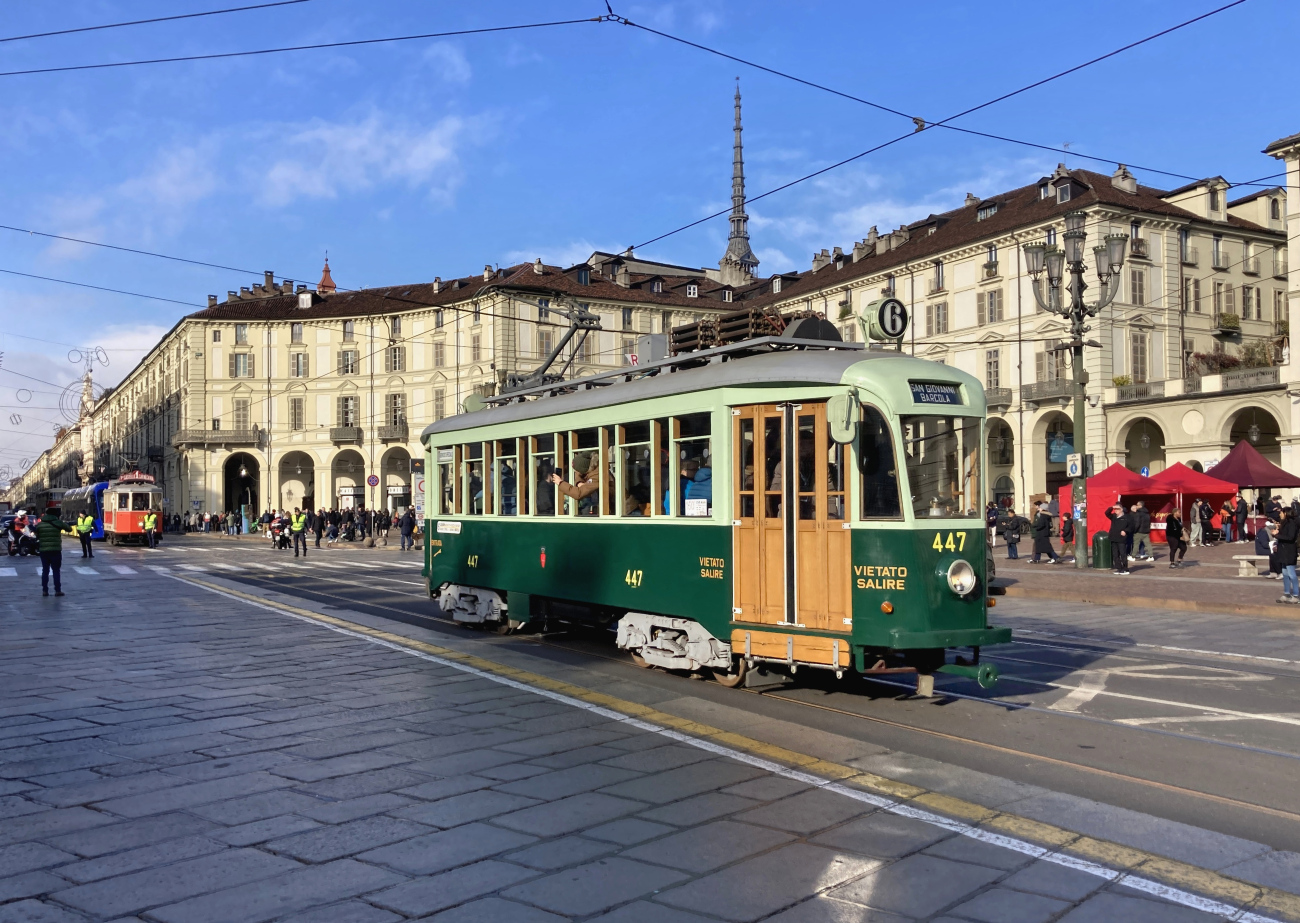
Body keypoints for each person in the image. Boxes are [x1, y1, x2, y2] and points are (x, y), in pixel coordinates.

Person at [35, 509, 74, 597]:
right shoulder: (58, 522)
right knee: (56, 571)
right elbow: (69, 529)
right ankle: (57, 590)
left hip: (44, 551)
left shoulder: (40, 524)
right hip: (55, 550)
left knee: (45, 571)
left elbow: (37, 535)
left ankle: (45, 591)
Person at [1276, 508, 1299, 604]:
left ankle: (1296, 595)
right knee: (1285, 573)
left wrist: (1277, 535)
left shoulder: (1292, 523)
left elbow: (1290, 537)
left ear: (1285, 513)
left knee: (1291, 574)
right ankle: (1286, 593)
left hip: (1289, 551)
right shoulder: (1284, 523)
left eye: (1281, 512)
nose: (1280, 514)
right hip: (1283, 551)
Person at [1106, 502, 1132, 575]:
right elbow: (1106, 513)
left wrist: (1126, 531)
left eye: (1117, 509)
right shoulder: (1113, 516)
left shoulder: (1127, 517)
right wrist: (1112, 507)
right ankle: (1119, 568)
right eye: (1115, 509)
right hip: (1113, 537)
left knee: (1123, 554)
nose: (1116, 510)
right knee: (1115, 554)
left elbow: (1131, 527)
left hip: (1121, 539)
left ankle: (1125, 569)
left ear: (1121, 509)